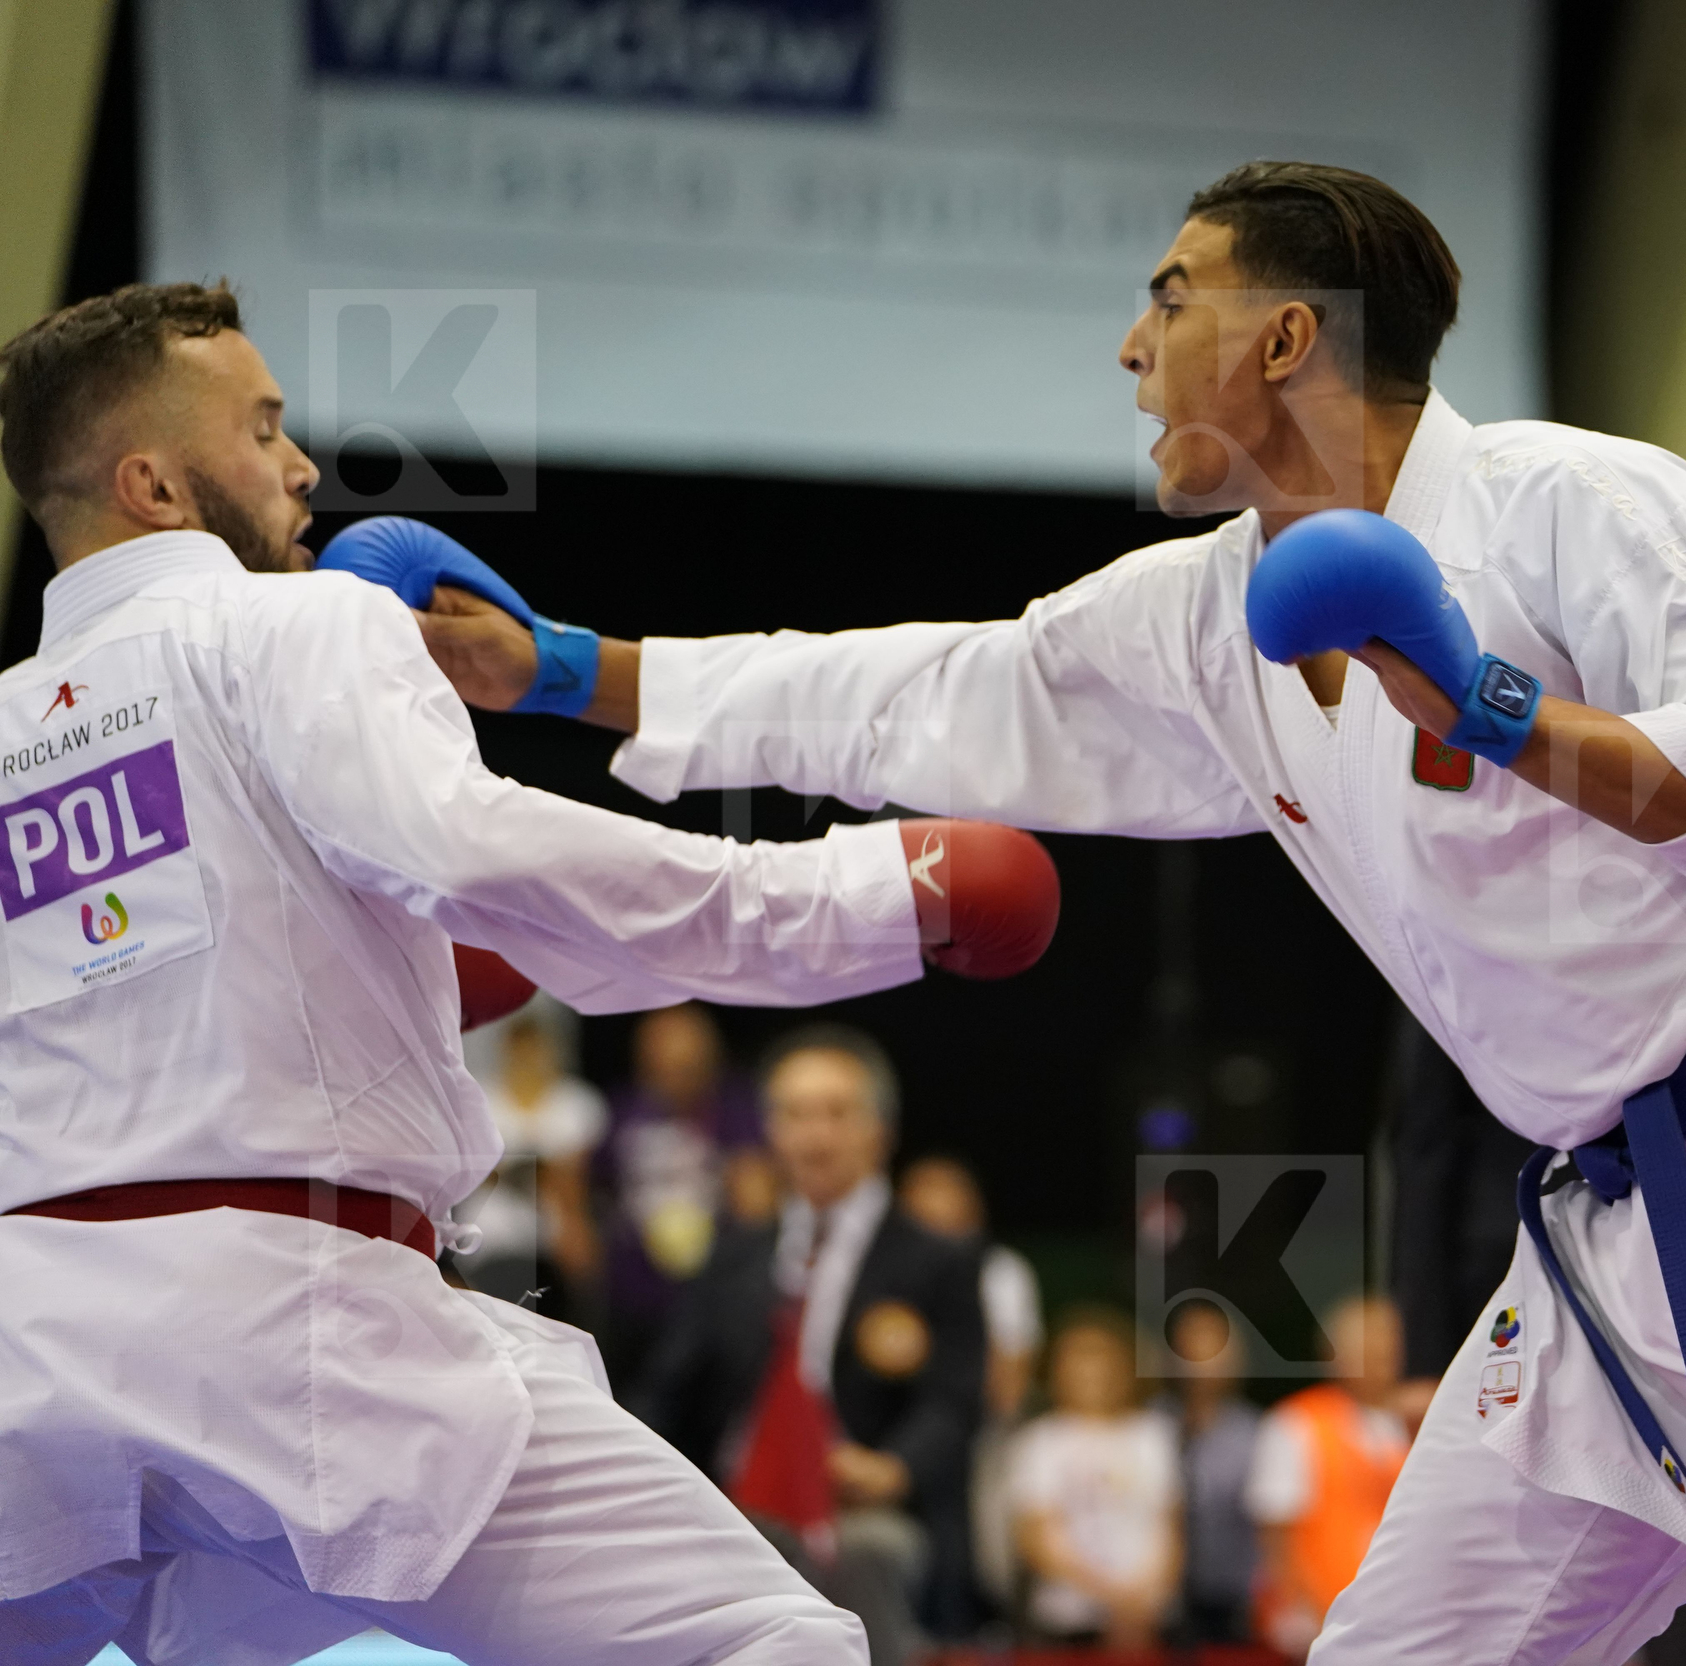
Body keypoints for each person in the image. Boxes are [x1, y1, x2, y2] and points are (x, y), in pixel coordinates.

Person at [409, 163, 1686, 1661]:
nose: (1130, 345)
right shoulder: (1209, 621)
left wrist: (1496, 710)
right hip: (1619, 1208)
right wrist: (579, 669)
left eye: (1169, 295)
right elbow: (932, 689)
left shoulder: (1580, 499)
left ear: (1285, 331)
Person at [0, 284, 1057, 1665]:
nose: (304, 465)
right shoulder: (296, 624)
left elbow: (175, 969)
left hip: (34, 1364)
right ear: (152, 482)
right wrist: (862, 893)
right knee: (771, 1643)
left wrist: (424, 981)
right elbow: (477, 848)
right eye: (263, 431)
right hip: (299, 1341)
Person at [636, 1026, 989, 1656]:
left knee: (863, 1551)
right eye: (795, 1115)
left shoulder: (939, 1260)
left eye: (837, 1113)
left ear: (880, 1129)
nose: (815, 1135)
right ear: (771, 1131)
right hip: (740, 1498)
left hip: (867, 1507)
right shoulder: (735, 1255)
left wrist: (893, 1468)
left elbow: (955, 1401)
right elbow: (669, 1388)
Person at [895, 1152, 1045, 1629]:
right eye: (924, 1211)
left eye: (950, 1208)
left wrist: (982, 1435)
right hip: (891, 1439)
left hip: (977, 1443)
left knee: (972, 1566)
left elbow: (1012, 1372)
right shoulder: (883, 1268)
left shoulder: (1001, 1271)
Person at [599, 1001, 772, 1379]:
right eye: (663, 1062)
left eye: (686, 1065)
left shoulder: (735, 1108)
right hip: (634, 1297)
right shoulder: (623, 1110)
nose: (674, 1075)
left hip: (713, 1301)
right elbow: (594, 1183)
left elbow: (757, 1202)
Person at [1004, 1310, 1185, 1649]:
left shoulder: (1153, 1435)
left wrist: (1143, 1600)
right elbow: (1035, 1537)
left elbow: (1172, 1527)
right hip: (1068, 1622)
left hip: (1150, 1620)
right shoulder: (1040, 1441)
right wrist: (1113, 1598)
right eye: (1078, 1358)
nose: (1091, 1370)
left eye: (1102, 1357)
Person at [1246, 1296, 1414, 1659]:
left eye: (1387, 1346)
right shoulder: (1296, 1423)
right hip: (1322, 1625)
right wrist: (1309, 1614)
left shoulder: (1425, 1422)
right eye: (1365, 1349)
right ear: (1333, 1354)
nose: (1380, 1358)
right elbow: (1276, 1538)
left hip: (1409, 1624)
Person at [452, 993, 608, 1324]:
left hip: (551, 1246)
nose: (528, 1057)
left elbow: (575, 1182)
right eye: (519, 1047)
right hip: (487, 1244)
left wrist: (521, 1170)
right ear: (505, 1049)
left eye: (535, 1046)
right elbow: (475, 1175)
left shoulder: (578, 1104)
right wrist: (541, 1169)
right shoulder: (480, 1102)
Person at [1151, 1298, 1265, 1644]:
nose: (1201, 1358)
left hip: (1232, 1605)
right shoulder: (1148, 1425)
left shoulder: (1257, 1434)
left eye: (1214, 1345)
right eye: (1190, 1344)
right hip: (1156, 1605)